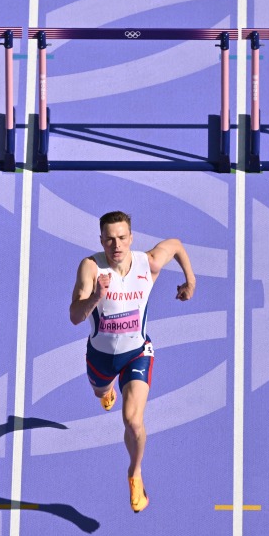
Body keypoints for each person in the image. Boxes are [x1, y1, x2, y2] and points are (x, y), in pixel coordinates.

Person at [69, 210, 197, 514]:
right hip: (100, 359)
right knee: (101, 393)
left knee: (133, 420)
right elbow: (75, 316)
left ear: (131, 238)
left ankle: (135, 473)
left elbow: (176, 245)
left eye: (122, 238)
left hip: (136, 354)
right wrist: (95, 297)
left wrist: (190, 281)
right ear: (101, 240)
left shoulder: (146, 263)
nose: (117, 245)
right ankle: (106, 391)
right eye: (110, 239)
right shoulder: (90, 268)